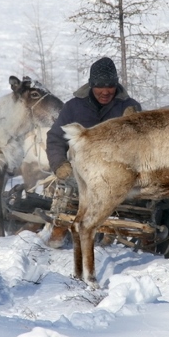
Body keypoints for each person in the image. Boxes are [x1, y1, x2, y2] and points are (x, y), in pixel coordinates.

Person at [45, 57, 141, 246]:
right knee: (67, 192)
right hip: (81, 173)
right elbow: (55, 137)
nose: (105, 91)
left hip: (118, 173)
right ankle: (59, 233)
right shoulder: (73, 107)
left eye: (110, 86)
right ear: (91, 84)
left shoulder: (128, 106)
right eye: (99, 86)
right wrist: (59, 164)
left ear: (116, 84)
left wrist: (132, 123)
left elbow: (140, 145)